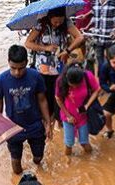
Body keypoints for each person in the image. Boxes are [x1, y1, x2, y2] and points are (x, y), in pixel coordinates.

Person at [25, 7, 85, 135]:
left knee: (59, 95)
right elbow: (28, 43)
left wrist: (67, 51)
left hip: (59, 68)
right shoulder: (40, 24)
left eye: (60, 21)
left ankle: (58, 120)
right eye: (55, 21)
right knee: (43, 96)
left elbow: (80, 38)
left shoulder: (67, 23)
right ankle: (47, 122)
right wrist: (45, 47)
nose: (58, 24)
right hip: (42, 69)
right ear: (49, 17)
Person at [0, 45, 52, 175]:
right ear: (8, 62)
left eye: (21, 68)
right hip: (12, 128)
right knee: (15, 165)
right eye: (13, 68)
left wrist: (48, 123)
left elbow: (42, 100)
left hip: (35, 125)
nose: (17, 72)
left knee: (38, 158)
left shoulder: (36, 76)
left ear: (26, 62)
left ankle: (39, 174)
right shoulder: (1, 80)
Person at [55, 63, 102, 155]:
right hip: (67, 116)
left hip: (83, 116)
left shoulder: (87, 75)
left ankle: (90, 162)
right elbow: (58, 98)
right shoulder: (60, 80)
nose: (75, 87)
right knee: (69, 144)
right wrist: (68, 116)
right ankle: (68, 163)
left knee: (84, 142)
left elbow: (97, 90)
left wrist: (87, 105)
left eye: (78, 85)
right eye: (72, 85)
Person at [89, 0, 115, 71]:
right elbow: (94, 17)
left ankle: (110, 78)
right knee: (99, 61)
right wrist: (88, 27)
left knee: (111, 60)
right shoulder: (94, 2)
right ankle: (102, 78)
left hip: (110, 39)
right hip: (98, 38)